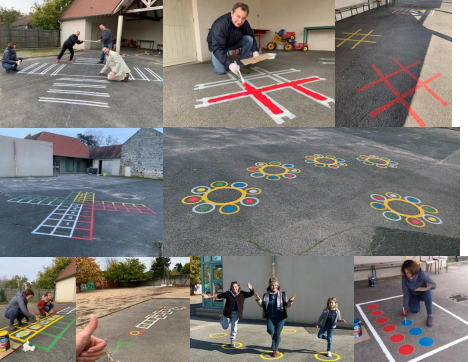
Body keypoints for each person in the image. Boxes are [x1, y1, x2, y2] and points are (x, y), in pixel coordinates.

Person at [207, 2, 259, 75]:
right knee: (221, 71)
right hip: (217, 46)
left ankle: (241, 65)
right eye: (238, 16)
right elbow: (218, 47)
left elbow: (251, 36)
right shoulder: (220, 25)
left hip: (232, 42)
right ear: (232, 13)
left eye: (243, 18)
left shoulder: (244, 23)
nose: (240, 21)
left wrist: (254, 50)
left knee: (249, 39)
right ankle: (215, 58)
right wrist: (229, 64)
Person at [202, 281, 254, 346]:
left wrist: (251, 288)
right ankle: (221, 318)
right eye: (233, 287)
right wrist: (208, 297)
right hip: (227, 313)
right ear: (231, 288)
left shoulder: (242, 294)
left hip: (236, 313)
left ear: (238, 287)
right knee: (225, 327)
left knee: (234, 327)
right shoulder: (228, 294)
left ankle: (232, 341)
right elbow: (218, 296)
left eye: (235, 287)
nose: (234, 288)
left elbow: (251, 294)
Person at [254, 277, 295, 358]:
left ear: (278, 285)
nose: (274, 286)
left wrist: (290, 301)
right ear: (269, 286)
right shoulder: (266, 295)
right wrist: (258, 299)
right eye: (272, 285)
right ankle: (277, 337)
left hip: (280, 317)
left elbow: (287, 305)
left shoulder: (282, 294)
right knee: (270, 330)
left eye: (275, 285)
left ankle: (275, 349)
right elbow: (263, 305)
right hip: (270, 316)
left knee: (277, 333)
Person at [400, 260, 436, 327]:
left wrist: (429, 285)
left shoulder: (422, 274)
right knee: (414, 310)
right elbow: (406, 295)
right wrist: (405, 308)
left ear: (414, 271)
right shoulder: (404, 278)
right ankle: (411, 305)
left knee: (428, 292)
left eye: (409, 273)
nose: (408, 275)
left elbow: (434, 285)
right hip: (413, 295)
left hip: (423, 294)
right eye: (406, 273)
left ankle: (430, 316)